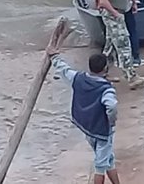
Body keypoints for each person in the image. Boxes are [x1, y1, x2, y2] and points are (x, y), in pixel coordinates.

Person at [46, 48, 120, 184]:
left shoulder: (78, 78)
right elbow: (112, 106)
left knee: (107, 159)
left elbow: (64, 70)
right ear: (105, 68)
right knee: (100, 166)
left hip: (86, 128)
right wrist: (112, 121)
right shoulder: (106, 89)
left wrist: (54, 57)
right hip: (102, 132)